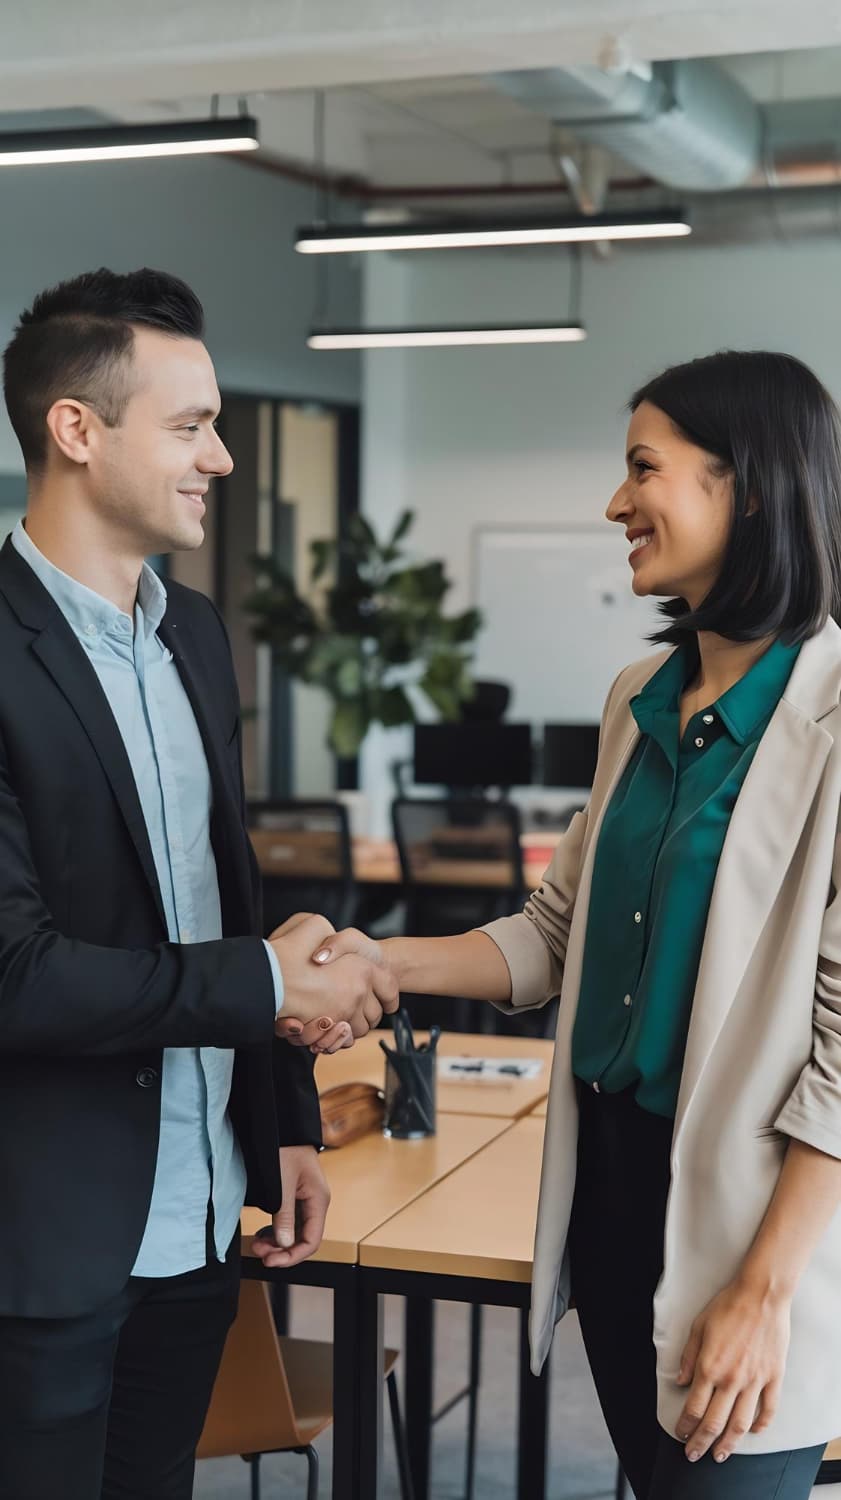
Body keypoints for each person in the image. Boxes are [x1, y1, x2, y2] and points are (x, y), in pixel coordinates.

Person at [303, 351, 841, 1499]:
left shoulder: (831, 722)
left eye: (642, 469)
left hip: (752, 1227)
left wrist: (765, 1288)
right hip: (606, 1194)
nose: (614, 504)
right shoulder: (634, 703)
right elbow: (555, 935)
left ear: (746, 486)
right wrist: (373, 958)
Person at [0, 266, 396, 1500]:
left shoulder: (196, 634)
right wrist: (276, 977)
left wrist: (279, 1117)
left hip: (201, 1213)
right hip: (42, 1238)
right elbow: (16, 978)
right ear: (77, 430)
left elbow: (224, 893)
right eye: (190, 426)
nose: (221, 457)